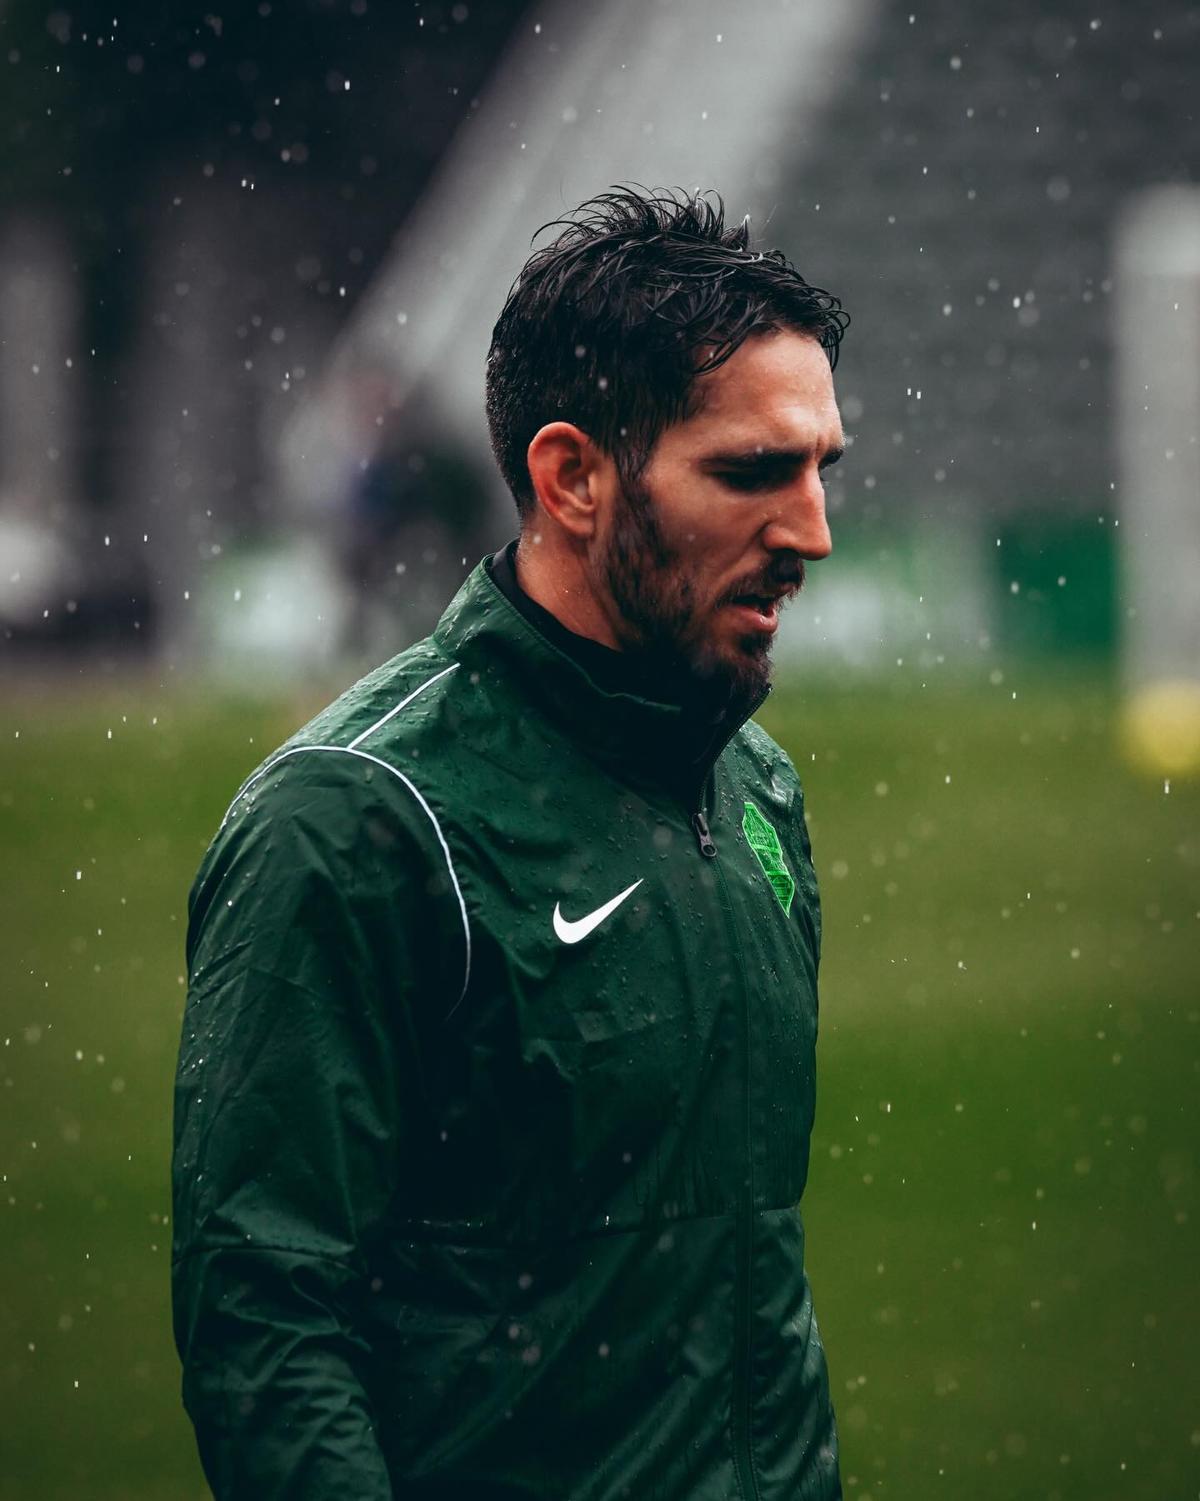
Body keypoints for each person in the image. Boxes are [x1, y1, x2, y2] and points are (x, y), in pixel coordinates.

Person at [172, 186, 849, 1500]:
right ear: (573, 476)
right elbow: (269, 1334)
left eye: (825, 468)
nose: (812, 532)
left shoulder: (756, 784)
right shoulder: (357, 823)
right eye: (755, 471)